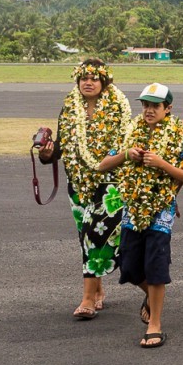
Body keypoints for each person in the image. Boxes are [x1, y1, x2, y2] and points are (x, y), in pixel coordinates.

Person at [97, 83, 183, 348]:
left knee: (155, 266)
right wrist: (127, 155)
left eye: (155, 106)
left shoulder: (179, 137)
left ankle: (155, 325)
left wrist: (162, 164)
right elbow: (101, 165)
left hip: (161, 211)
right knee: (128, 265)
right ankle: (152, 296)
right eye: (146, 105)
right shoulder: (130, 132)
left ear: (168, 108)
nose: (149, 111)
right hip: (132, 210)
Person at [38, 58, 132, 320]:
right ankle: (98, 290)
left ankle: (88, 299)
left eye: (94, 78)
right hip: (78, 183)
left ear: (104, 81)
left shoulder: (119, 107)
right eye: (84, 78)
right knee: (85, 237)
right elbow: (61, 148)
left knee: (95, 234)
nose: (88, 83)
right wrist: (46, 154)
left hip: (110, 182)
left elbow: (126, 143)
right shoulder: (69, 106)